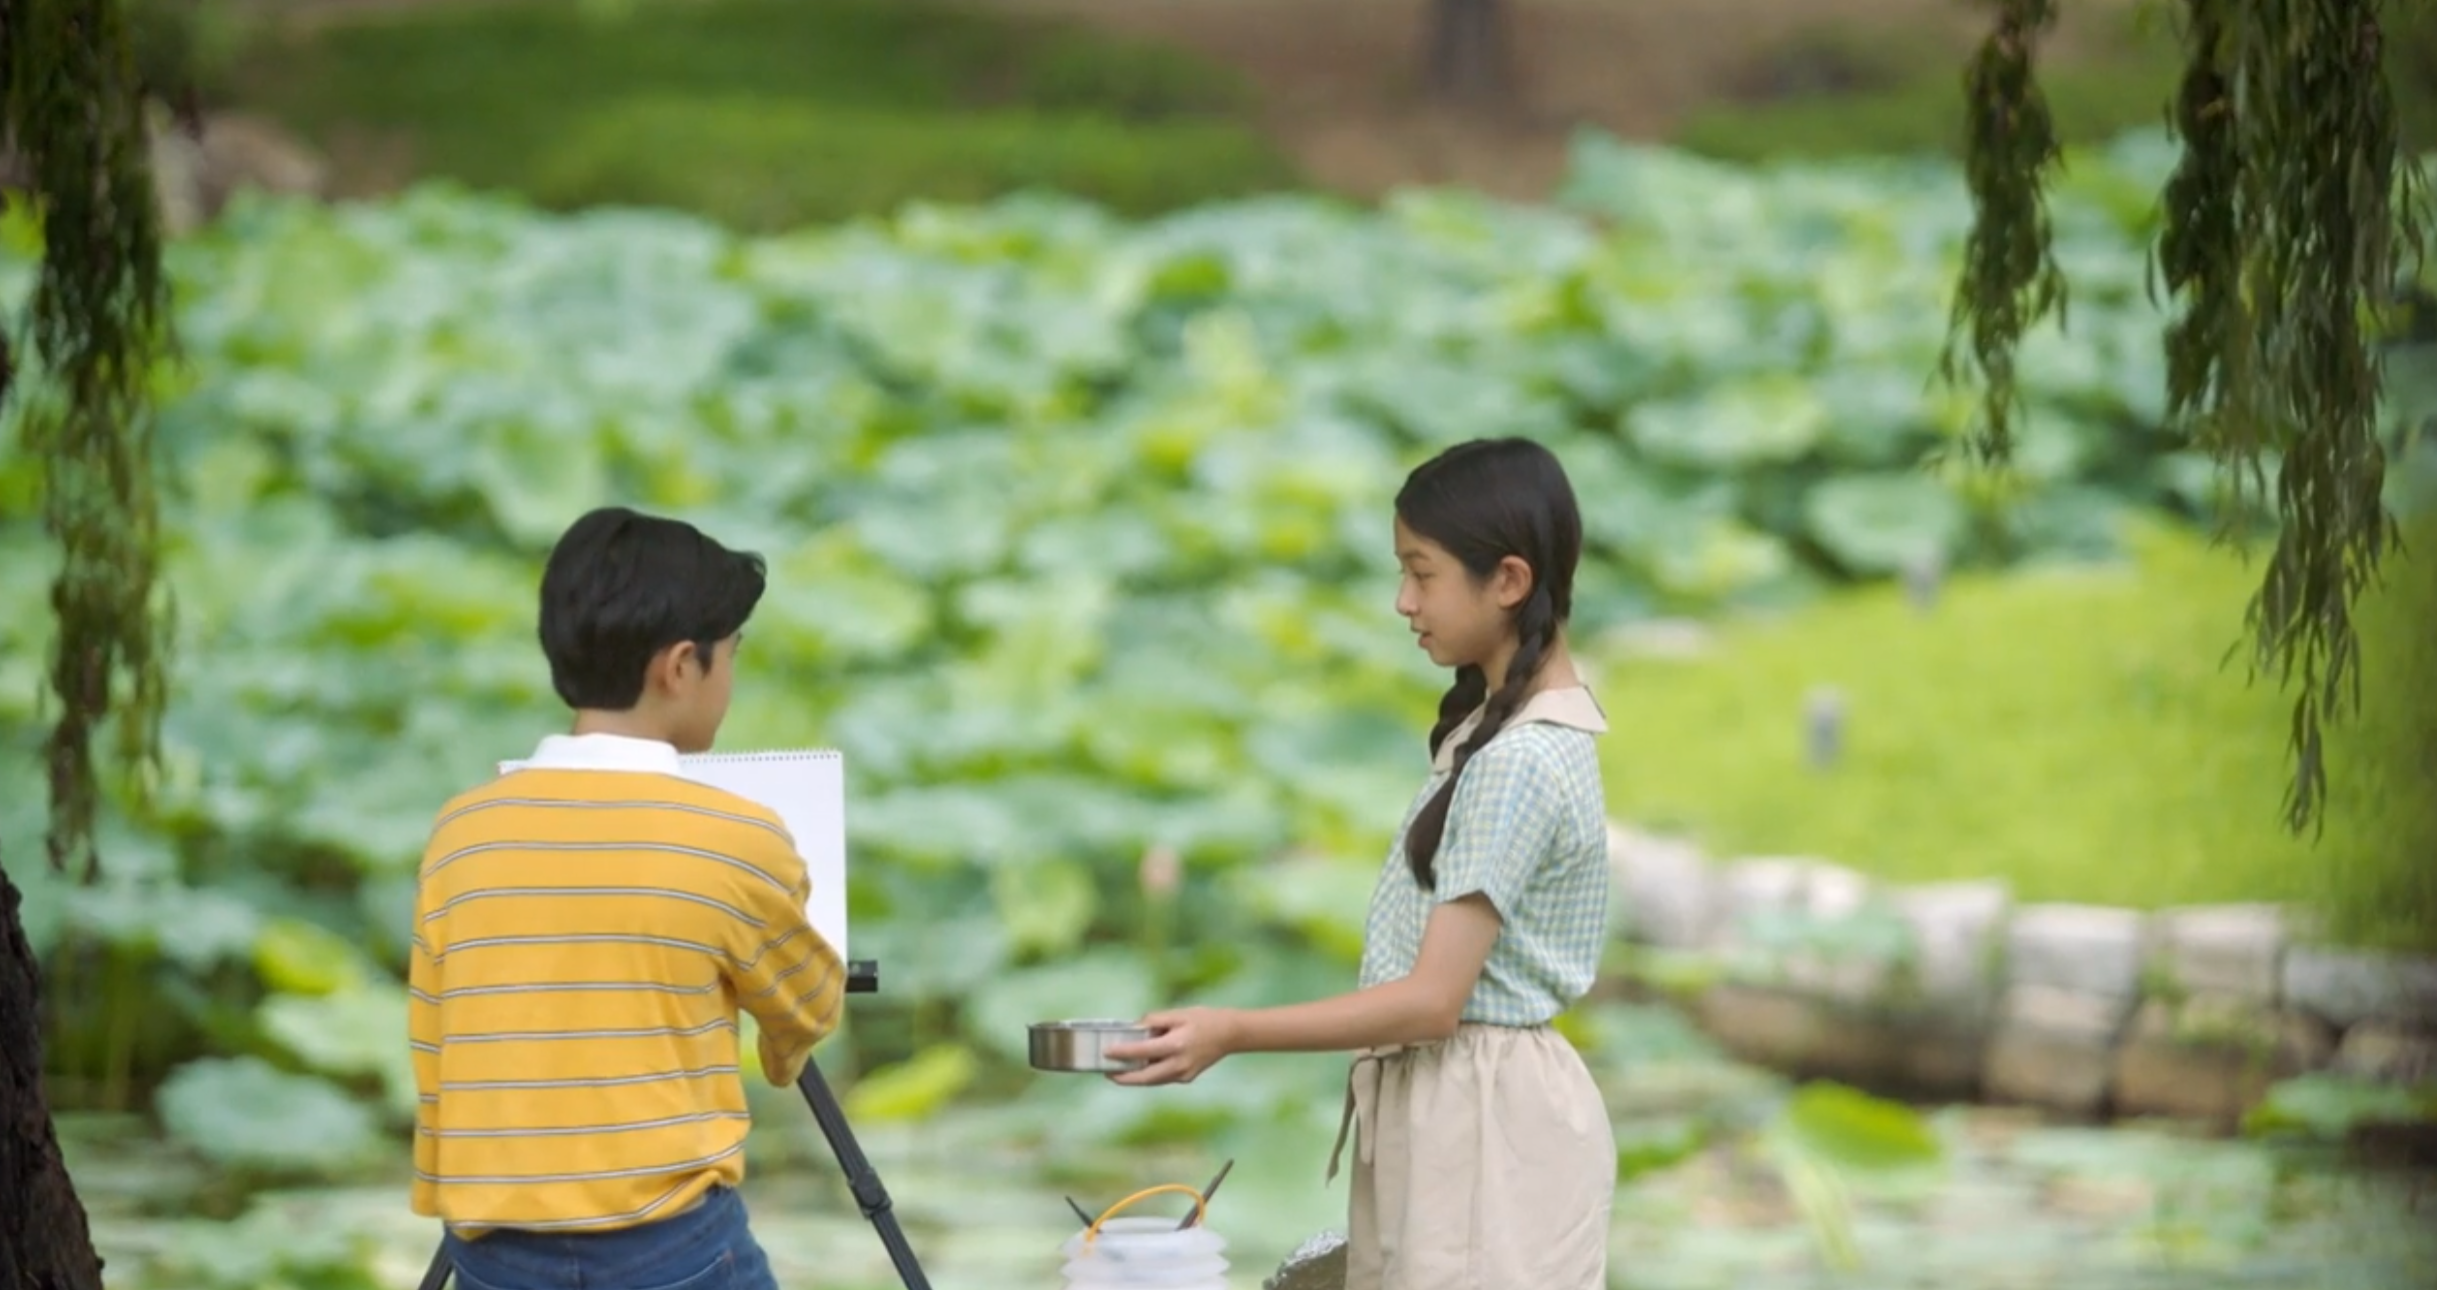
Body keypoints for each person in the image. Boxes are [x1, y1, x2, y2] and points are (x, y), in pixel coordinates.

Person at [1104, 437, 1617, 1290]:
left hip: (1485, 1129)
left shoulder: (1518, 760)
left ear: (1508, 581)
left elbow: (1432, 1001)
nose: (1402, 601)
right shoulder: (1495, 732)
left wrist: (1233, 1031)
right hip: (1463, 1113)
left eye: (1421, 574)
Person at [408, 505, 847, 1290]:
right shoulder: (735, 837)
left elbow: (437, 1043)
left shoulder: (460, 834)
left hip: (493, 1249)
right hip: (669, 1248)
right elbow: (807, 1006)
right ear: (680, 666)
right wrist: (780, 1052)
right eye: (730, 657)